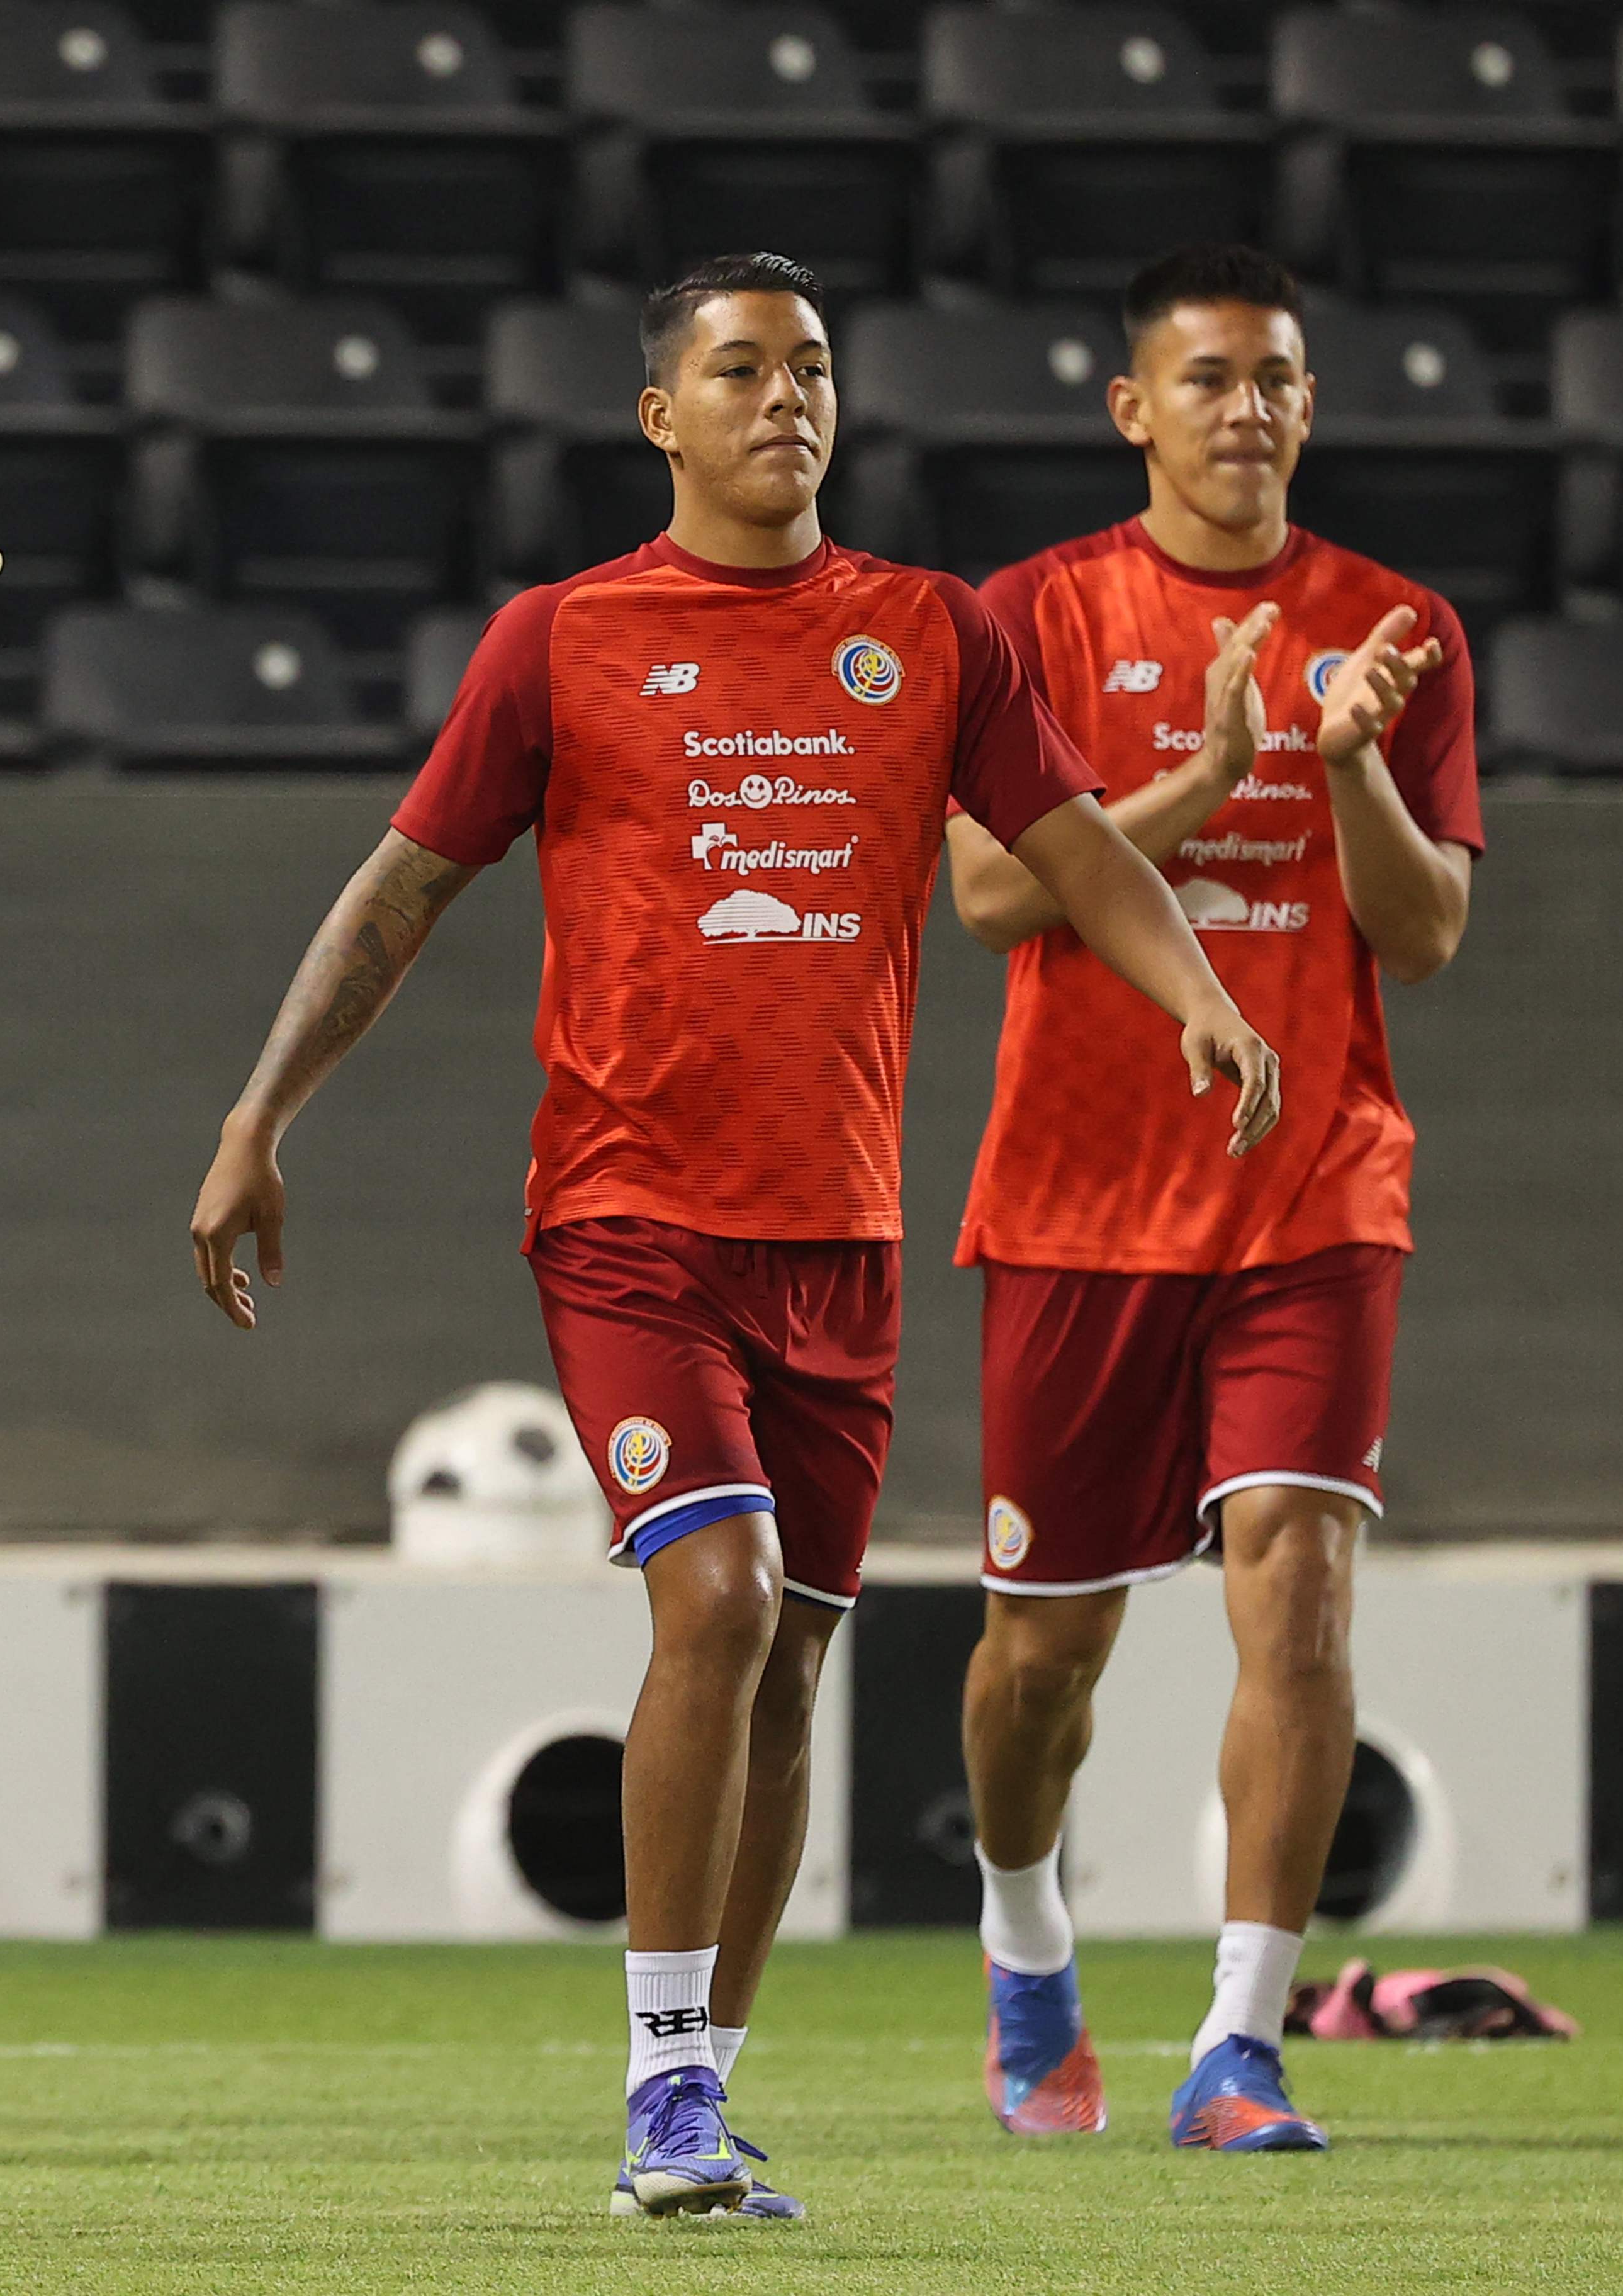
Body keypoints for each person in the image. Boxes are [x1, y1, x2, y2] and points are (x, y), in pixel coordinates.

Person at [186, 250, 1282, 2224]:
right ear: (659, 420)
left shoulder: (927, 634)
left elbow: (1072, 845)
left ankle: (708, 2085)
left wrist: (1190, 986)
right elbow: (400, 891)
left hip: (839, 1245)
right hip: (628, 1226)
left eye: (814, 370)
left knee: (787, 1672)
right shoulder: (564, 638)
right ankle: (661, 2102)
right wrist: (264, 1115)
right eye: (743, 372)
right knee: (718, 1605)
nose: (788, 399)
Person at [945, 243, 1478, 2156]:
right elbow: (999, 897)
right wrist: (1207, 770)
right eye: (1208, 380)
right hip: (1079, 1207)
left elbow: (1421, 939)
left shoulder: (1398, 625)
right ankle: (1029, 1948)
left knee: (1302, 1599)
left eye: (1275, 380)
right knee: (1038, 1669)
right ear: (1133, 410)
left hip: (1315, 1194)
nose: (1244, 409)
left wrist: (1343, 769)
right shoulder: (1032, 618)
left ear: (1307, 406)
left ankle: (1241, 2047)